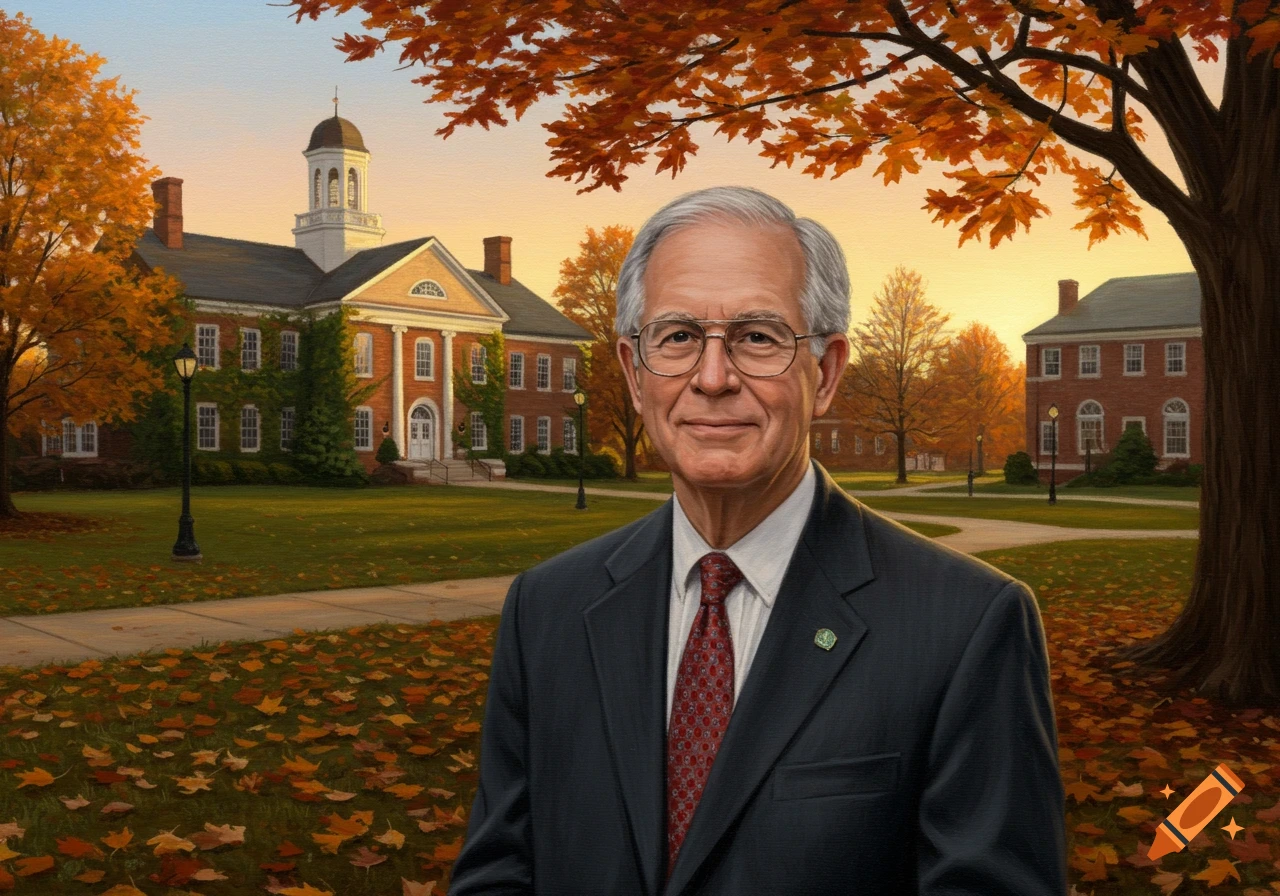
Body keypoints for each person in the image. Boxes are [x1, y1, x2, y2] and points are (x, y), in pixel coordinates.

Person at [449, 186, 1067, 895]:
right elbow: (499, 872)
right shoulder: (546, 609)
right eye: (678, 337)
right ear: (632, 369)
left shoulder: (966, 627)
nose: (713, 379)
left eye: (758, 337)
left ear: (827, 372)